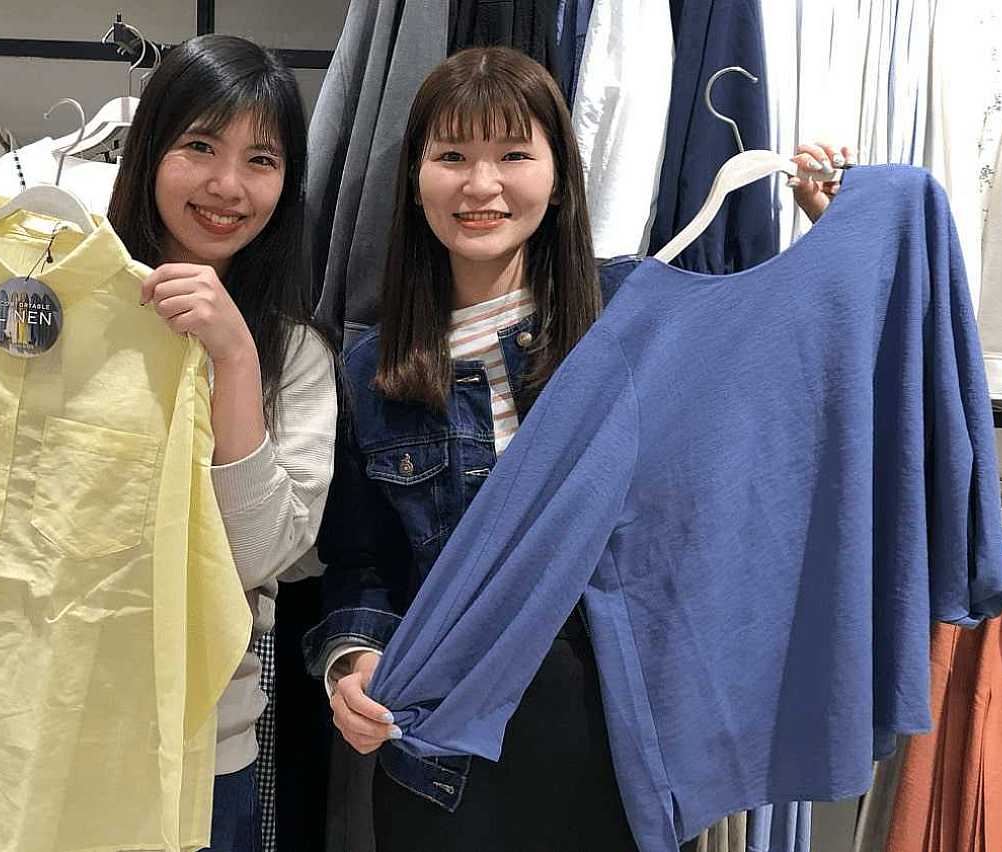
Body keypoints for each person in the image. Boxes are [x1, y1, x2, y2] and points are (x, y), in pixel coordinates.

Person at [306, 46, 851, 851]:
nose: (481, 185)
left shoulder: (631, 314)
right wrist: (354, 659)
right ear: (415, 179)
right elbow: (360, 564)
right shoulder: (370, 370)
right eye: (451, 156)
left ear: (559, 175)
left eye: (512, 155)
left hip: (622, 744)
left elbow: (786, 394)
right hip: (444, 754)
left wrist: (832, 236)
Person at [107, 34, 338, 852]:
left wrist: (237, 357)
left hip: (204, 751)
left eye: (260, 160)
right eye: (200, 146)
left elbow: (256, 554)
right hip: (48, 728)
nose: (228, 186)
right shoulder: (63, 314)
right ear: (149, 152)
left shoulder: (294, 356)